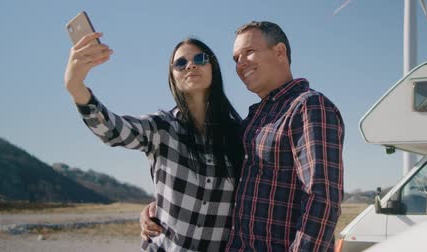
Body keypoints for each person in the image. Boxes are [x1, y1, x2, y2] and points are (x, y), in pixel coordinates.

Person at [141, 21, 345, 251]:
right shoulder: (252, 121)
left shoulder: (308, 107)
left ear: (279, 52)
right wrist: (158, 209)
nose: (240, 64)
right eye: (236, 58)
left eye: (249, 52)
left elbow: (322, 199)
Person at [65, 32, 244, 251]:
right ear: (172, 76)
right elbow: (113, 130)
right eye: (180, 63)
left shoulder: (239, 135)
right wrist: (76, 86)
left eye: (199, 59)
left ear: (213, 68)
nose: (190, 66)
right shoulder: (162, 128)